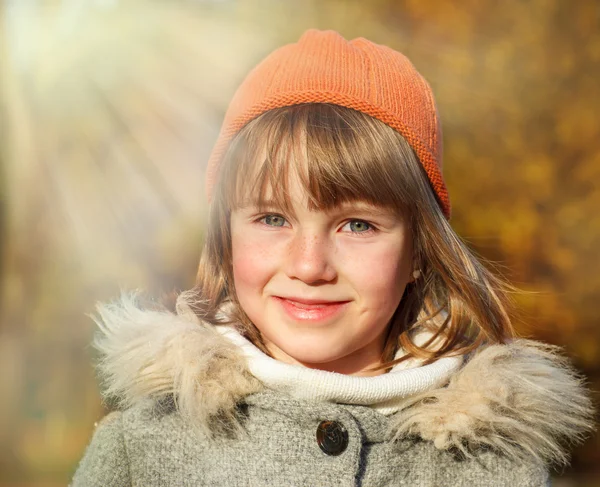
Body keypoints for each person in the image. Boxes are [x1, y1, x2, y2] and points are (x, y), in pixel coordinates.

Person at [71, 29, 595, 486]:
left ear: (418, 251)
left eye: (358, 225)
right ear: (225, 241)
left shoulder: (494, 466)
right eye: (272, 219)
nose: (308, 266)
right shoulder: (143, 446)